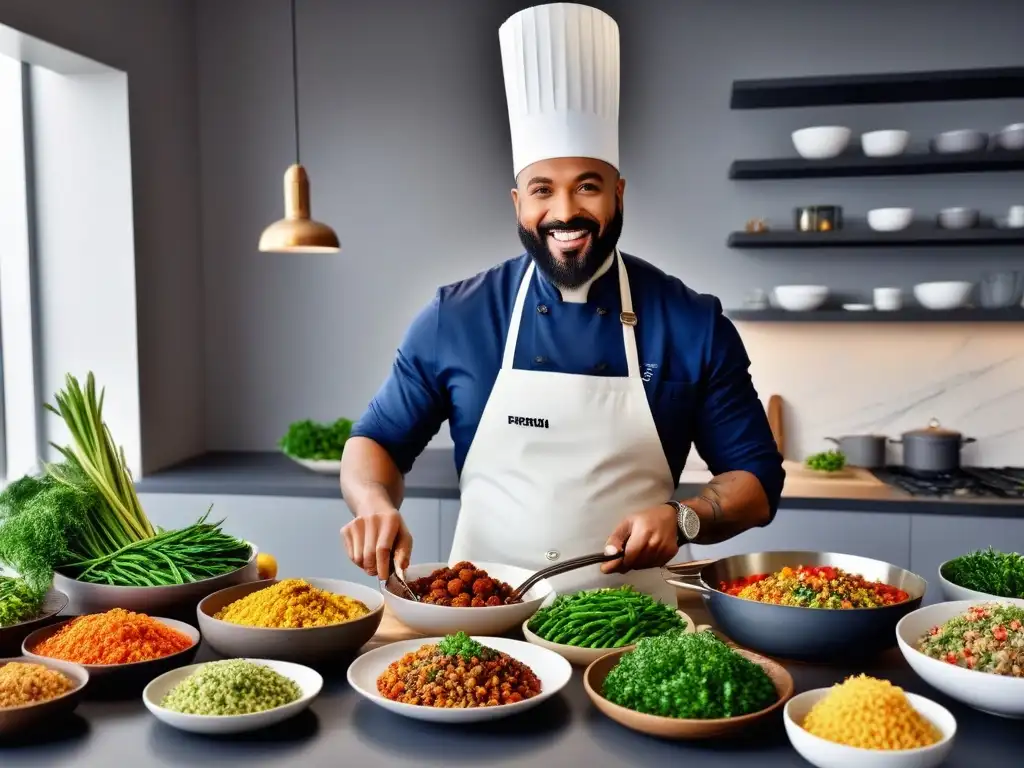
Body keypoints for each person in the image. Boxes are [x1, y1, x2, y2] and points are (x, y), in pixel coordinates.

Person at [340, 2, 784, 604]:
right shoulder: (458, 317)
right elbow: (377, 444)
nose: (566, 212)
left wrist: (685, 518)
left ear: (619, 193)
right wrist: (373, 505)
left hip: (634, 632)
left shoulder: (691, 322)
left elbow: (757, 482)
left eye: (588, 186)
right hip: (479, 624)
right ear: (517, 201)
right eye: (543, 190)